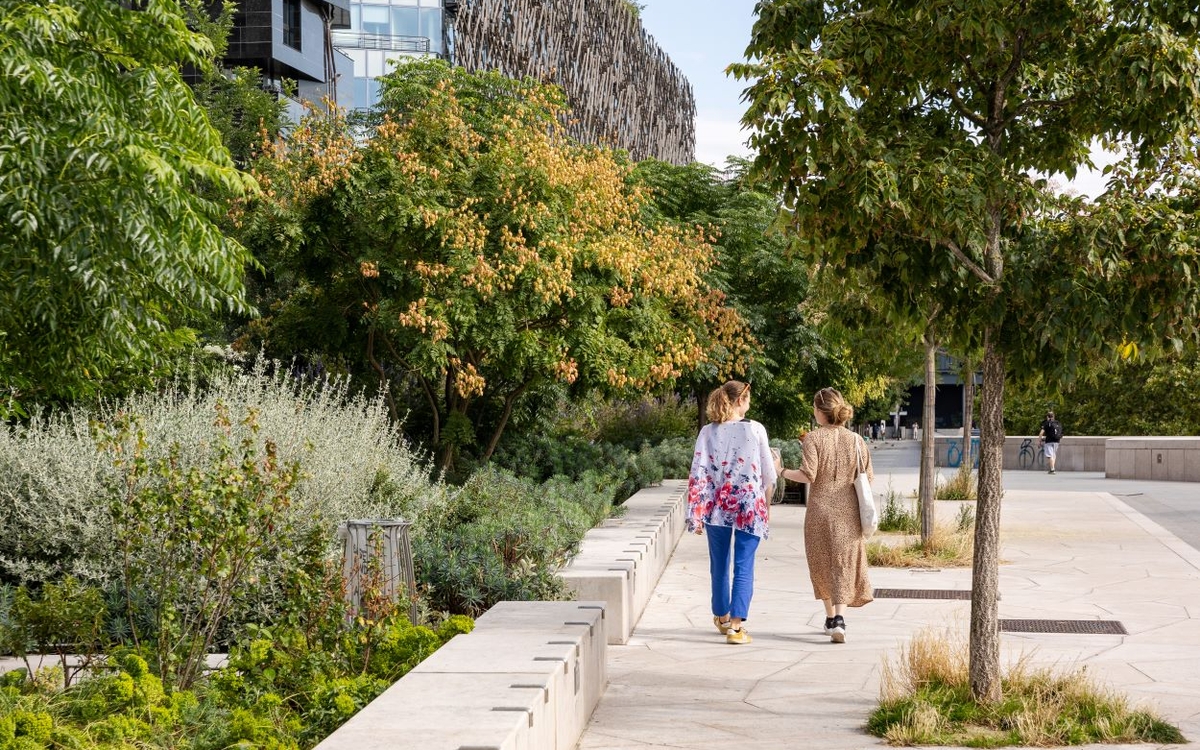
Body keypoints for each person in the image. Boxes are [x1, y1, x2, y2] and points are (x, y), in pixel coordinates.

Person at [777, 387, 873, 643]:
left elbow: (808, 475)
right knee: (842, 562)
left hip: (819, 511)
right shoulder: (856, 440)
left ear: (820, 411)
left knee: (820, 562)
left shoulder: (813, 439)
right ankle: (839, 619)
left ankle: (830, 616)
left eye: (814, 407)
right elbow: (868, 478)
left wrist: (782, 471)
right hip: (848, 512)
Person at [686, 380, 777, 645]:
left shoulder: (707, 432)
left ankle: (722, 617)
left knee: (719, 564)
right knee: (744, 565)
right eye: (748, 398)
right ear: (740, 400)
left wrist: (696, 513)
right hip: (749, 505)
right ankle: (736, 628)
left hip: (717, 506)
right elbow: (768, 475)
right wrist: (766, 507)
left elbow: (698, 473)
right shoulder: (756, 430)